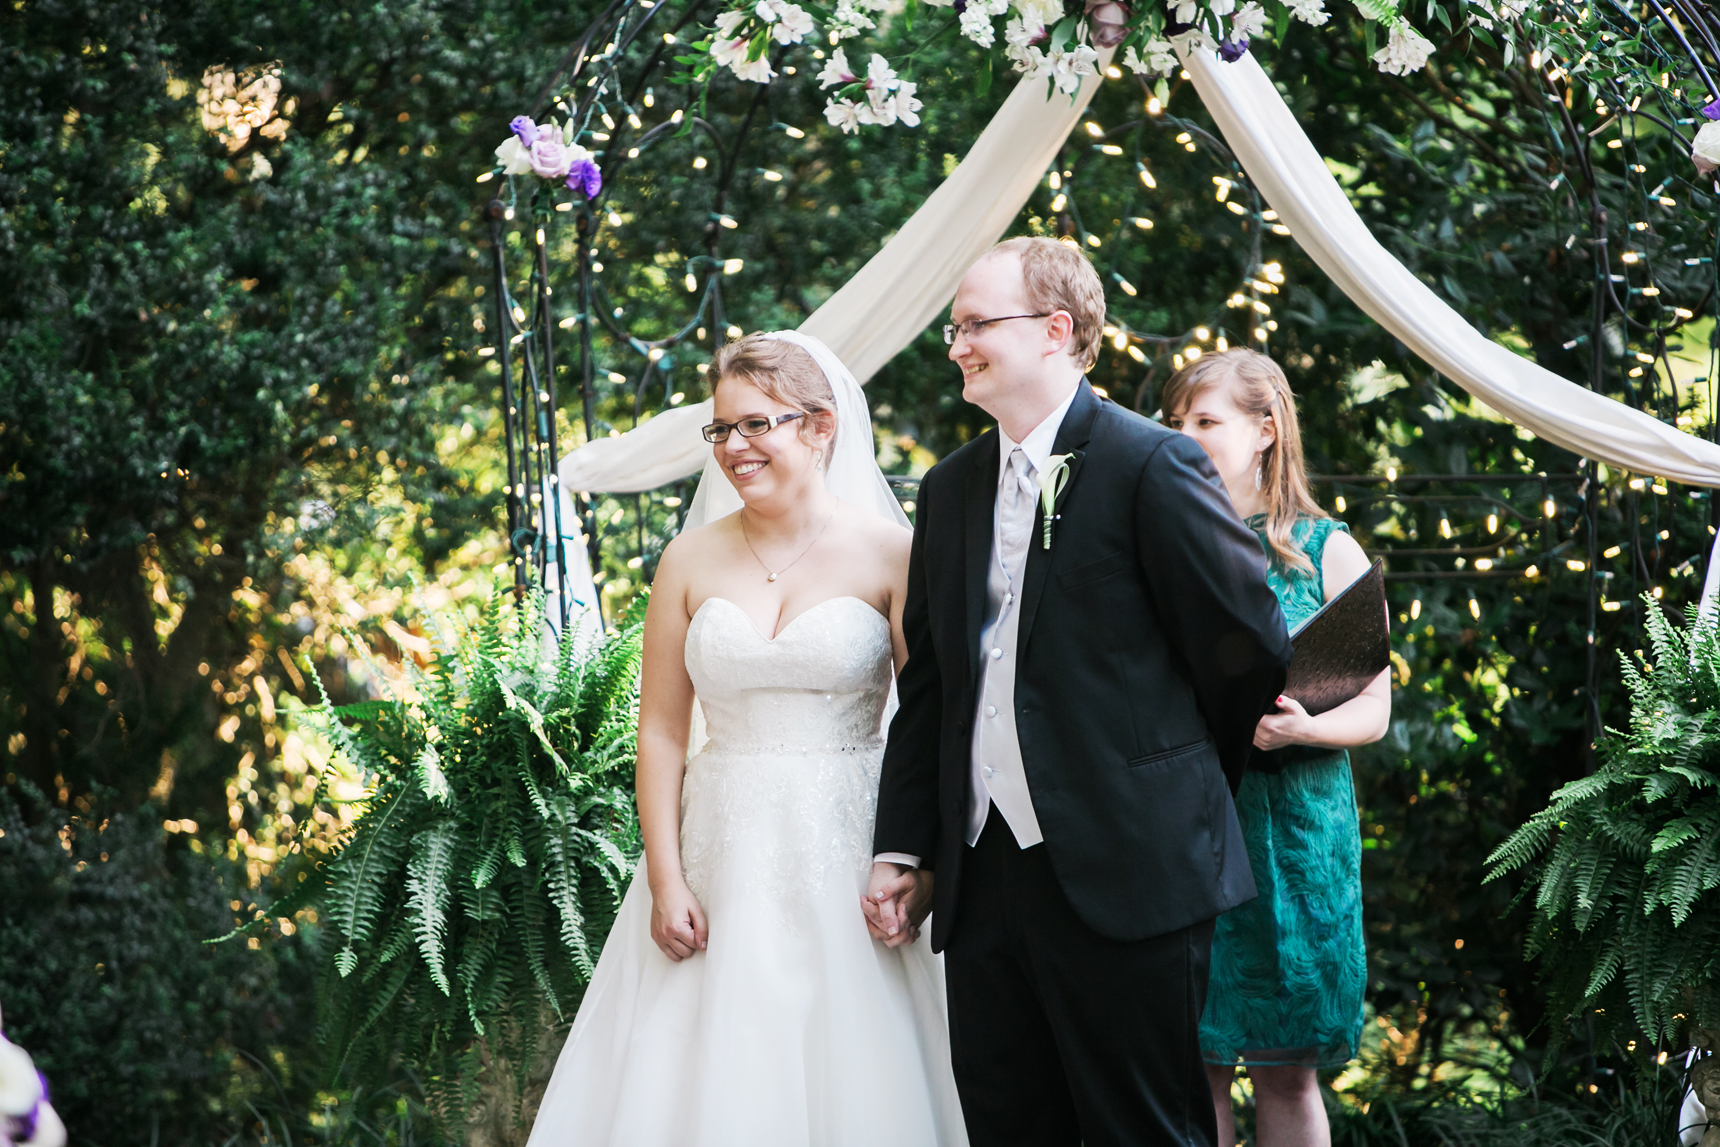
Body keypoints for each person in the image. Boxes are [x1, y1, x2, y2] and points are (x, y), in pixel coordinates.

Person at [867, 237, 1293, 1147]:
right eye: (955, 327)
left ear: (1057, 330)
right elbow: (933, 684)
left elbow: (1245, 649)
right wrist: (906, 844)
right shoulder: (947, 488)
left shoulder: (1152, 463)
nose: (958, 344)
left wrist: (1157, 780)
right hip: (985, 873)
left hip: (1131, 865)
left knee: (1142, 1131)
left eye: (977, 324)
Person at [525, 331, 968, 1146]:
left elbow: (931, 718)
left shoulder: (896, 554)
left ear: (821, 426)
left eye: (757, 424)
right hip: (718, 852)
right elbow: (660, 729)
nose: (735, 447)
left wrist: (919, 862)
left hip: (852, 846)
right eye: (722, 429)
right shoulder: (687, 559)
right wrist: (665, 878)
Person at [1161, 349, 1390, 1147]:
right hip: (1191, 822)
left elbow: (1375, 708)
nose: (1184, 436)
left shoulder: (1330, 548)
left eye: (1205, 421)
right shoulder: (1165, 542)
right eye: (1176, 422)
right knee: (1197, 1063)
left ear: (1265, 429)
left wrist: (1305, 728)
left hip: (1297, 833)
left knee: (1288, 1068)